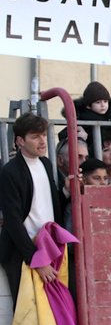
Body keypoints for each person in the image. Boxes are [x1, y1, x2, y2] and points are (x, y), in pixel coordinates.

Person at [0, 114, 67, 299]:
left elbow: (51, 205)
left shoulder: (46, 163)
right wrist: (36, 259)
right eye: (35, 136)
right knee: (26, 313)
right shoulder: (10, 172)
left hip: (50, 247)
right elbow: (13, 221)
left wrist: (67, 192)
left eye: (44, 135)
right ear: (20, 141)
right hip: (23, 252)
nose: (43, 141)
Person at [72, 81, 111, 150]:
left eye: (105, 101)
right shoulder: (81, 119)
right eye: (98, 102)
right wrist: (80, 138)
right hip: (91, 156)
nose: (103, 105)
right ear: (88, 106)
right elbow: (64, 135)